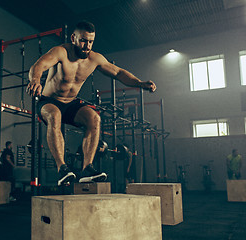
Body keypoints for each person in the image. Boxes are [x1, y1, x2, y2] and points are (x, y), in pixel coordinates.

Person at [26, 21, 156, 186]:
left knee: (94, 118)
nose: (86, 45)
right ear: (74, 38)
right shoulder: (61, 52)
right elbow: (38, 66)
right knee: (55, 115)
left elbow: (118, 73)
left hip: (71, 103)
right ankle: (62, 169)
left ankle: (87, 168)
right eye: (83, 40)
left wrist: (140, 83)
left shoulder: (95, 59)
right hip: (49, 101)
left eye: (90, 42)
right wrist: (36, 80)